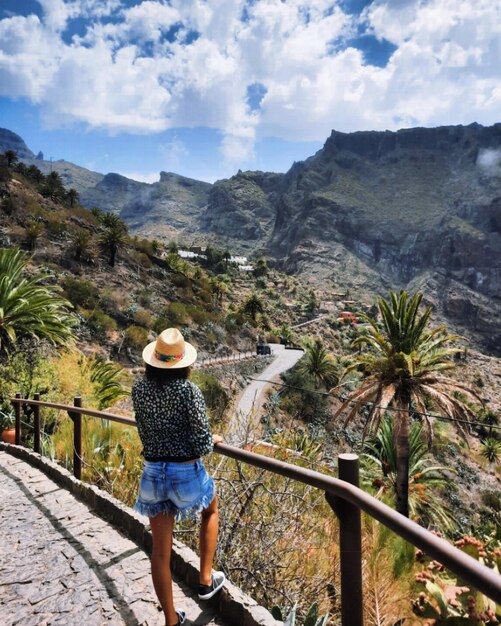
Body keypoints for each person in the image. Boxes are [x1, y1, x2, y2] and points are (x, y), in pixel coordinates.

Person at [132, 328, 225, 626]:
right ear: (183, 363)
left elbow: (144, 432)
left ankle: (172, 621)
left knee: (160, 551)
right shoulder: (188, 391)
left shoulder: (139, 390)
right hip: (184, 472)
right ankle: (206, 580)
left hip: (153, 472)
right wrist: (214, 439)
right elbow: (201, 442)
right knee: (210, 510)